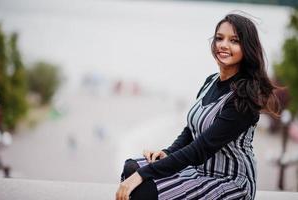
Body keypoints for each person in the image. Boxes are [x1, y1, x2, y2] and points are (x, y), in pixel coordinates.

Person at [116, 13, 280, 200]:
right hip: (200, 170)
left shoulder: (243, 98)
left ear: (246, 48)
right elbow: (190, 131)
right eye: (219, 38)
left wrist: (144, 174)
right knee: (132, 167)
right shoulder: (210, 81)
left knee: (142, 188)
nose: (223, 45)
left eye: (234, 41)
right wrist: (167, 152)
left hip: (230, 182)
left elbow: (200, 149)